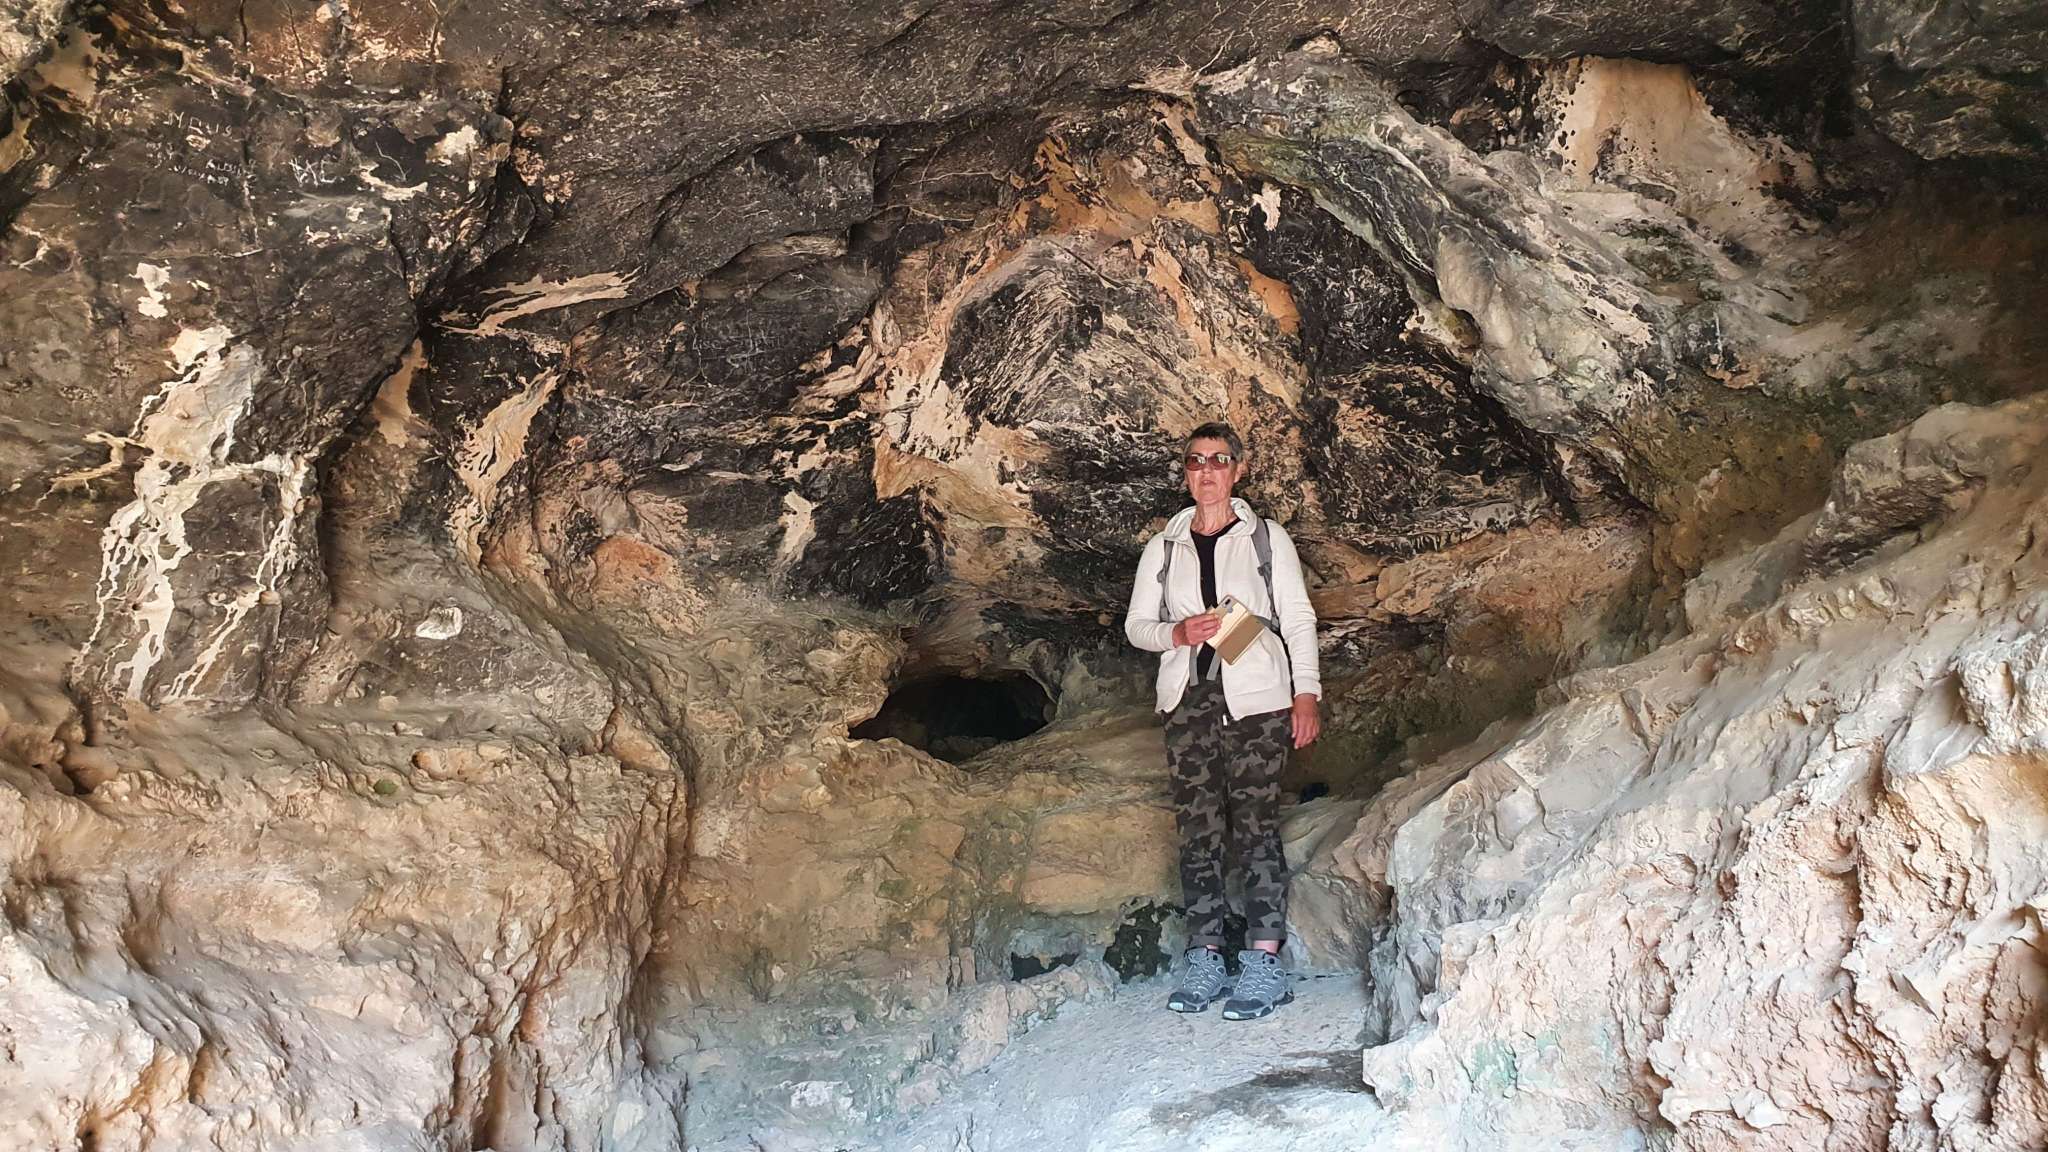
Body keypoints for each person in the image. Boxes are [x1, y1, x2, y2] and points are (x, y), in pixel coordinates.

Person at [1124, 421, 1321, 1020]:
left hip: (1257, 700)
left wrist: (1306, 695)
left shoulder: (1266, 539)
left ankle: (1264, 960)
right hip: (1189, 699)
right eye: (1195, 461)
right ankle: (1206, 955)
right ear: (1185, 473)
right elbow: (1136, 627)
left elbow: (1298, 618)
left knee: (1256, 825)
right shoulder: (1163, 547)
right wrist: (1177, 632)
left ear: (1238, 469)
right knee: (1197, 830)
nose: (1206, 471)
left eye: (1218, 460)